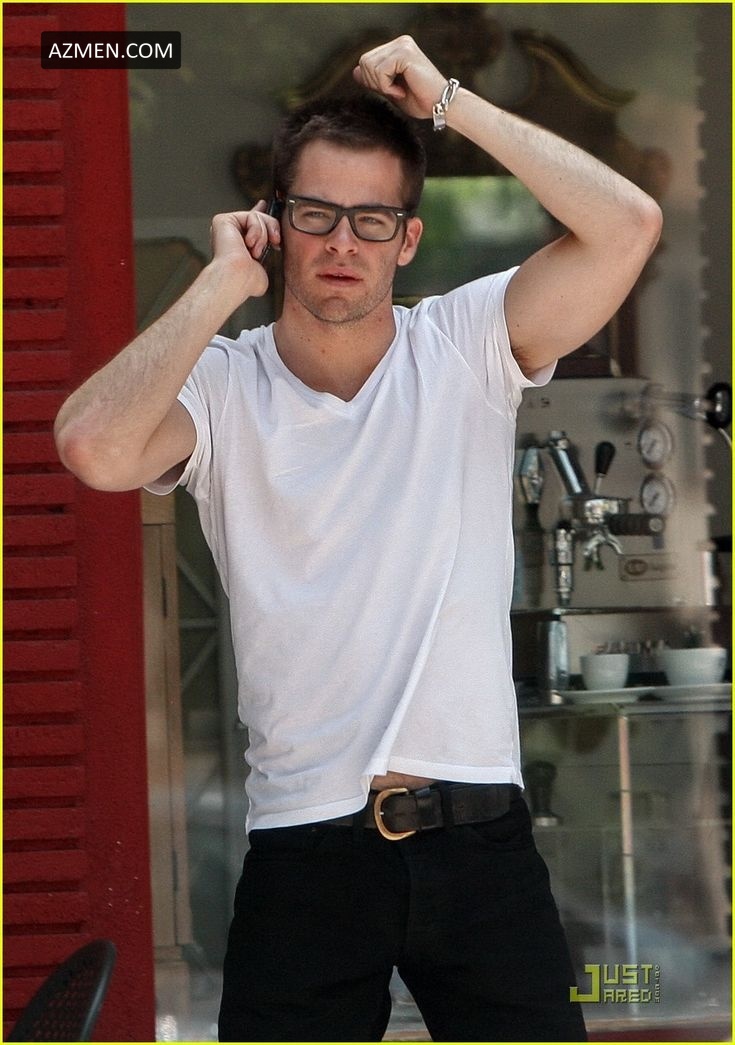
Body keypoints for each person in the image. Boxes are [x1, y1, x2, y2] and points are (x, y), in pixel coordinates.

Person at [55, 35, 661, 1043]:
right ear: (275, 223)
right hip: (306, 849)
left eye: (372, 219)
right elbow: (91, 446)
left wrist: (451, 101)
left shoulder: (463, 346)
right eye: (316, 214)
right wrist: (217, 286)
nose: (343, 241)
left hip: (477, 836)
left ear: (406, 239)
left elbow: (628, 224)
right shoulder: (224, 384)